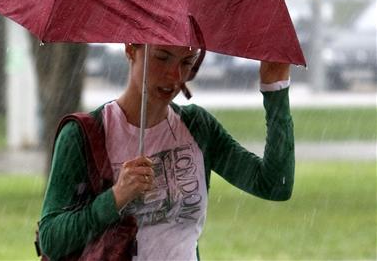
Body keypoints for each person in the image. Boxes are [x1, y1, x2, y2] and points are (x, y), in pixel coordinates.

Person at [38, 43, 294, 261]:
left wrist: (276, 91)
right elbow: (51, 239)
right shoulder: (85, 134)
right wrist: (115, 197)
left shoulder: (196, 127)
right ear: (131, 48)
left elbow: (274, 185)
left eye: (186, 62)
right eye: (162, 57)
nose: (174, 75)